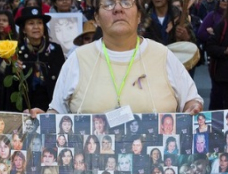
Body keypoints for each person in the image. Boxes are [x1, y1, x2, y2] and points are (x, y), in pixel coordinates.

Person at [28, 0, 203, 116]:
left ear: (139, 15)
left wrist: (192, 107)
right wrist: (45, 120)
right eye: (108, 4)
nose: (118, 9)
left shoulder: (163, 55)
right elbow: (58, 113)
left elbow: (191, 100)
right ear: (96, 18)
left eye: (126, 2)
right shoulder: (78, 59)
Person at [5, 6, 65, 111]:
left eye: (39, 23)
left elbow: (63, 83)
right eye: (31, 23)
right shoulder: (16, 52)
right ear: (23, 29)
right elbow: (9, 89)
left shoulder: (55, 50)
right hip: (25, 110)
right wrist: (14, 70)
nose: (36, 27)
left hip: (50, 109)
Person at [197, 0, 228, 110]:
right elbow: (201, 33)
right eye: (223, 0)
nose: (226, 2)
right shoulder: (212, 16)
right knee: (217, 92)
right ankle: (214, 117)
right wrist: (214, 37)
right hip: (217, 59)